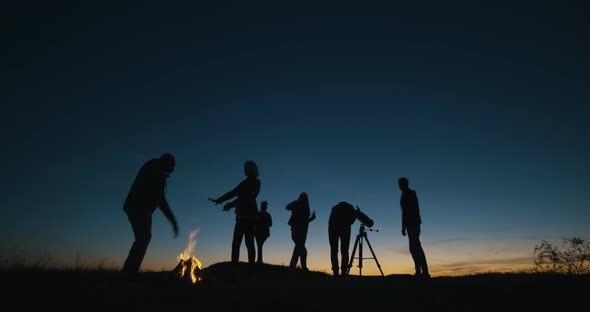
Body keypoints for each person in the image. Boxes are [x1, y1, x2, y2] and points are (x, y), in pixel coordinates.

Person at [122, 153, 179, 274]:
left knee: (143, 237)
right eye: (171, 168)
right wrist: (173, 221)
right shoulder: (155, 172)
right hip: (138, 207)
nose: (171, 172)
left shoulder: (154, 168)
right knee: (143, 238)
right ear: (166, 163)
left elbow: (159, 199)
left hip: (141, 208)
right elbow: (161, 200)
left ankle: (129, 271)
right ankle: (129, 272)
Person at [209, 160, 261, 264]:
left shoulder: (256, 182)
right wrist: (220, 200)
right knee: (238, 243)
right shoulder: (244, 183)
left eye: (246, 168)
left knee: (248, 243)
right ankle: (235, 267)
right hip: (242, 216)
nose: (244, 170)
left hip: (249, 217)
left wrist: (230, 204)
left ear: (251, 169)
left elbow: (247, 198)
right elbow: (233, 193)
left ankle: (249, 267)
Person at [398, 177, 430, 278]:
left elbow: (410, 210)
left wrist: (405, 226)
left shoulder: (411, 193)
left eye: (400, 183)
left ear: (404, 184)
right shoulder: (404, 194)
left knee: (416, 247)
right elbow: (404, 212)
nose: (398, 186)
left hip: (413, 224)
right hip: (410, 224)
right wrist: (404, 226)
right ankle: (419, 271)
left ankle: (424, 272)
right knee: (413, 248)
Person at [286, 192, 316, 270]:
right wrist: (296, 203)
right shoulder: (297, 204)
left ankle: (295, 267)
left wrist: (311, 219)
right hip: (296, 231)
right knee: (301, 250)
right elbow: (287, 207)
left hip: (302, 232)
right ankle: (300, 267)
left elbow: (304, 221)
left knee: (299, 249)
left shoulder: (305, 207)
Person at [328, 201, 357, 277]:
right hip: (345, 229)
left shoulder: (334, 209)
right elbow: (353, 219)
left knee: (334, 251)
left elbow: (330, 222)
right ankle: (343, 272)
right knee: (344, 251)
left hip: (333, 229)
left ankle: (335, 272)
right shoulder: (350, 208)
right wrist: (347, 224)